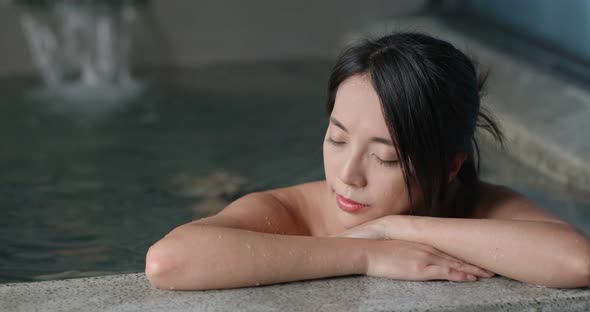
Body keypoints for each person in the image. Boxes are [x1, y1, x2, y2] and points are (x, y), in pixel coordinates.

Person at [145, 32, 590, 290]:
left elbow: (577, 263)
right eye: (336, 139)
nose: (347, 176)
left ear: (450, 167)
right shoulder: (288, 213)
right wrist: (366, 254)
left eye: (385, 157)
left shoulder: (479, 206)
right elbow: (169, 261)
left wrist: (399, 228)